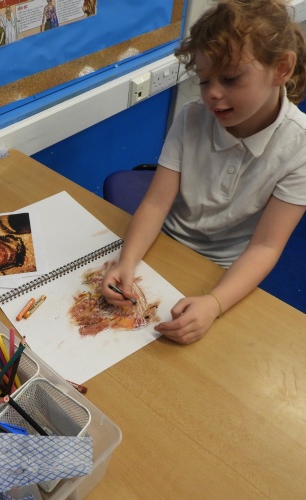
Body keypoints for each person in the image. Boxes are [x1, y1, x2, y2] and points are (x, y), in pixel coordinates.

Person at [102, 0, 306, 344]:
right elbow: (155, 204)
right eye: (204, 79)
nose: (212, 94)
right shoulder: (192, 116)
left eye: (230, 78)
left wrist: (214, 303)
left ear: (281, 68)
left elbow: (265, 248)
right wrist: (127, 262)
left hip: (224, 270)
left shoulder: (299, 147)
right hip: (165, 244)